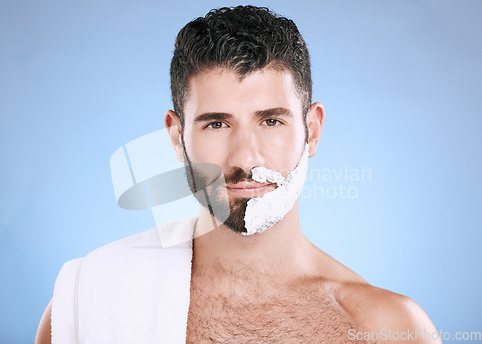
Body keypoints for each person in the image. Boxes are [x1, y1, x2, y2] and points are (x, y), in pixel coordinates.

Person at [36, 6, 441, 343]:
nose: (245, 157)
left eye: (271, 121)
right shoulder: (89, 297)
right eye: (216, 124)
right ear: (177, 137)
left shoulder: (387, 328)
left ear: (312, 131)